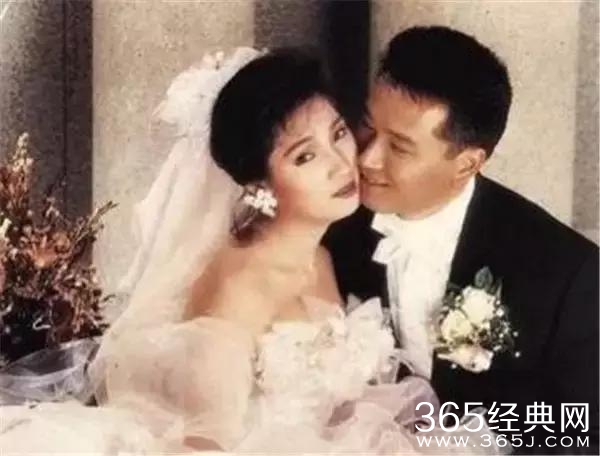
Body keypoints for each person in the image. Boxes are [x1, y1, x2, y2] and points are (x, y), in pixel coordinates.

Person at [0, 47, 500, 455]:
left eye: (339, 134)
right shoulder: (239, 288)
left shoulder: (324, 253)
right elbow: (202, 446)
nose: (342, 163)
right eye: (304, 156)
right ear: (258, 183)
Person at [324, 26, 599, 455]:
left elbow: (583, 429)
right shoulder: (329, 225)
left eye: (399, 147)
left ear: (467, 163)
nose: (367, 158)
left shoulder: (565, 269)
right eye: (367, 126)